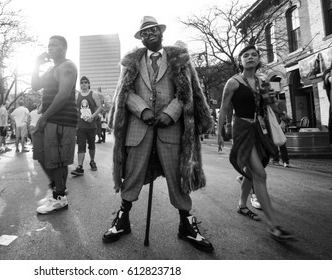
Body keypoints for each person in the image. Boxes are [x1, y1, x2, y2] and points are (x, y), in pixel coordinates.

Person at [103, 16, 214, 253]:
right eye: (144, 32)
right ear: (141, 37)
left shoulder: (178, 60)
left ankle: (187, 224)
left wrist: (171, 113)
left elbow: (188, 91)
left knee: (177, 178)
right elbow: (125, 92)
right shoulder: (131, 62)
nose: (149, 33)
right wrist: (142, 110)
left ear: (161, 33)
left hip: (170, 131)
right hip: (138, 130)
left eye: (153, 29)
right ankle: (122, 220)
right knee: (131, 176)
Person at [217, 45, 294, 241]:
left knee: (252, 172)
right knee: (260, 173)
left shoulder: (263, 83)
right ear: (240, 61)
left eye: (254, 55)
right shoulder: (233, 82)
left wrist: (281, 106)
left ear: (258, 59)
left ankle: (242, 205)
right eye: (245, 55)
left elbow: (274, 106)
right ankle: (273, 225)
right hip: (242, 129)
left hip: (261, 130)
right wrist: (220, 132)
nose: (250, 58)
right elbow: (224, 107)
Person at [31, 35, 78, 214]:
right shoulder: (52, 68)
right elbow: (35, 85)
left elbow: (63, 95)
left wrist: (44, 117)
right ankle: (57, 187)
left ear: (64, 48)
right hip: (49, 118)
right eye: (48, 45)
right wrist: (36, 64)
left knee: (57, 160)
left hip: (61, 119)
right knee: (41, 153)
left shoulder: (67, 66)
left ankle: (60, 198)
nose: (49, 48)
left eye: (54, 45)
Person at [70, 76, 102, 176]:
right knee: (81, 146)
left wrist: (93, 116)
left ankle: (92, 161)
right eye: (81, 82)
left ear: (88, 84)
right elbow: (74, 109)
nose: (83, 84)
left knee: (91, 146)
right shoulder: (77, 96)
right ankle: (80, 167)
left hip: (91, 126)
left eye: (85, 82)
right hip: (80, 126)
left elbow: (100, 107)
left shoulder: (94, 94)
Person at [271, 97, 290, 167]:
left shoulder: (280, 103)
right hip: (272, 126)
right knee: (274, 143)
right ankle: (275, 160)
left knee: (282, 143)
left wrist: (282, 124)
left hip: (279, 125)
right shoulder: (270, 105)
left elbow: (284, 113)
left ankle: (285, 161)